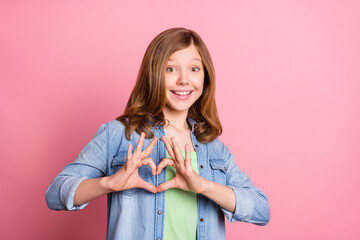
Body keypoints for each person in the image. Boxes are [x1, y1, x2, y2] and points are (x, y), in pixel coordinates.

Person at [46, 27, 270, 240]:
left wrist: (202, 185)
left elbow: (261, 210)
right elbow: (55, 194)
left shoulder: (213, 146)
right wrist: (110, 183)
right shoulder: (119, 134)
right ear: (153, 74)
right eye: (170, 69)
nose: (184, 79)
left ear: (205, 77)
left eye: (194, 69)